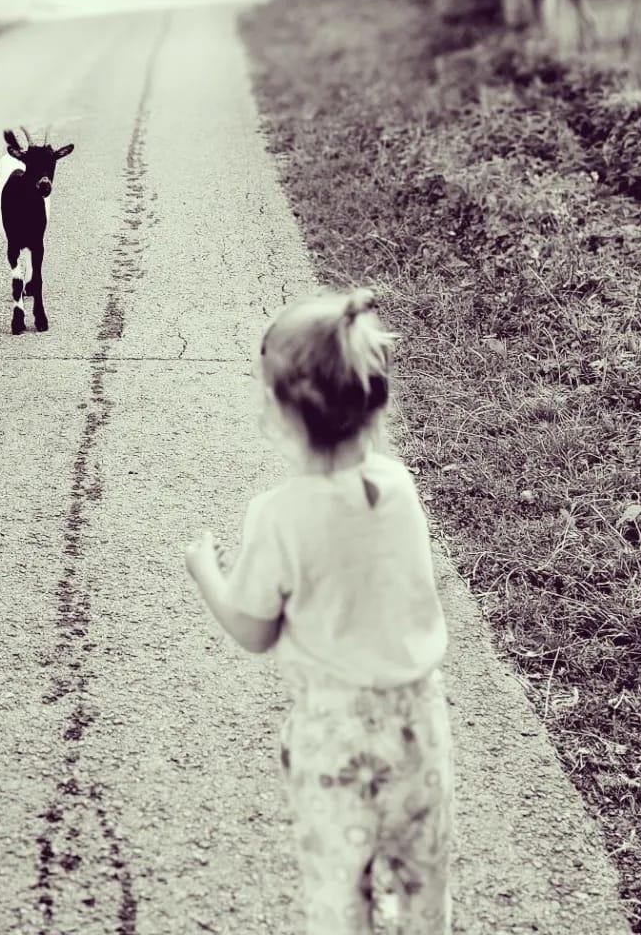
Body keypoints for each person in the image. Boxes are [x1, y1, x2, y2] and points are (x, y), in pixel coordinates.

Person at [184, 289, 453, 934]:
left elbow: (254, 629)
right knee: (422, 888)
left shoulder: (281, 515)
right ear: (373, 401)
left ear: (281, 410)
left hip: (336, 740)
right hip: (419, 727)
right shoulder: (399, 488)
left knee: (339, 893)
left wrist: (208, 574)